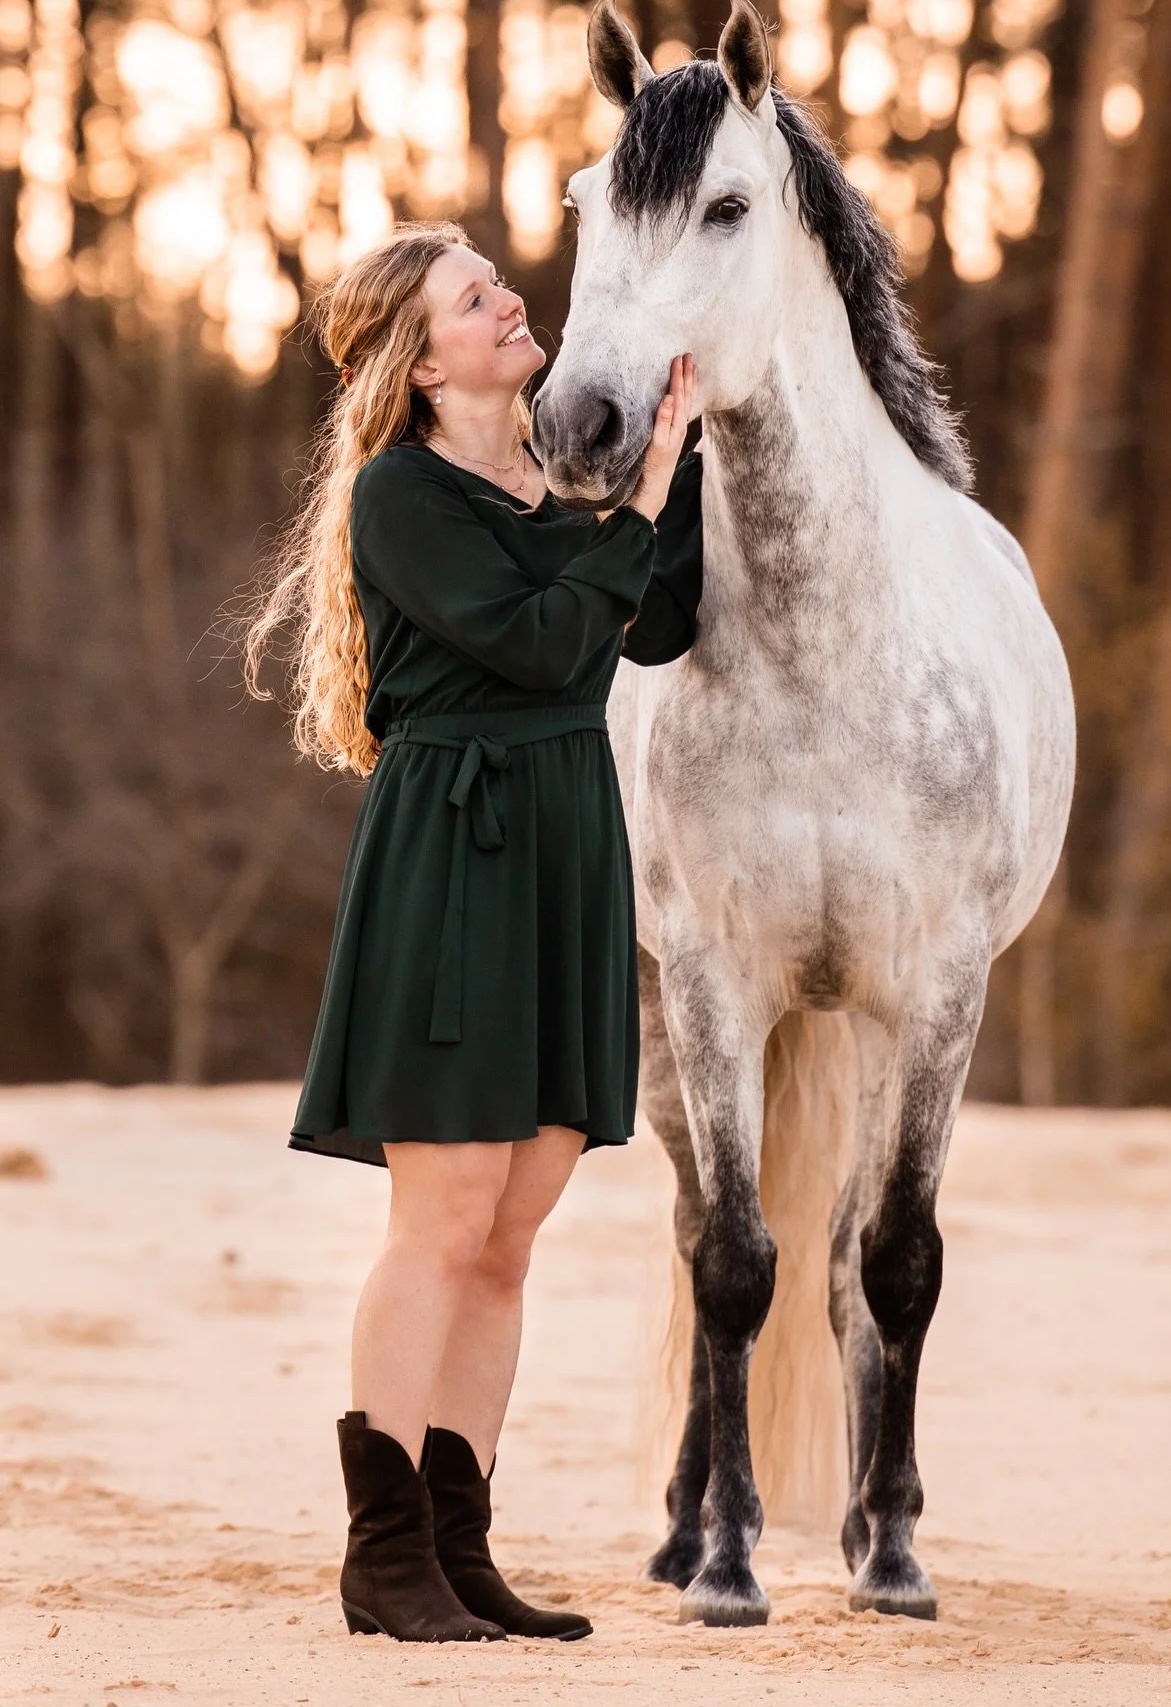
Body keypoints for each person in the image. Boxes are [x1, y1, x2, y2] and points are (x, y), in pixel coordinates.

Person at [243, 219, 701, 1644]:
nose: (511, 301)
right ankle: (383, 1560)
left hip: (569, 845)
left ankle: (459, 1544)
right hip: (457, 851)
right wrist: (634, 516)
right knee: (441, 1223)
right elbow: (552, 641)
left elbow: (658, 622)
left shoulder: (544, 485)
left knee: (510, 1236)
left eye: (499, 284)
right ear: (422, 362)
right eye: (474, 297)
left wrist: (671, 475)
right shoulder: (401, 495)